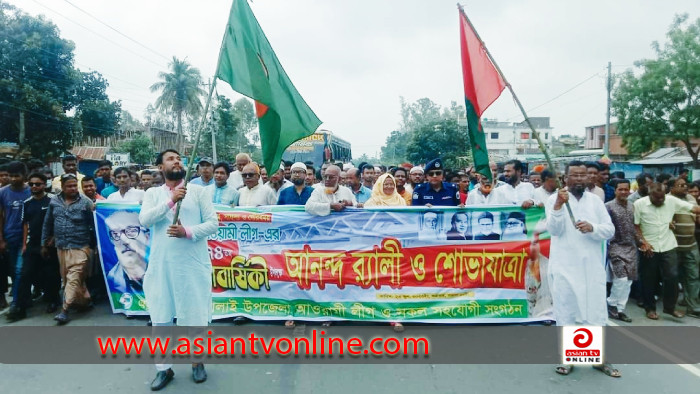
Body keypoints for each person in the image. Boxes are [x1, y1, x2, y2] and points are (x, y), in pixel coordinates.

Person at [139, 149, 218, 390]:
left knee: (194, 317)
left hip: (192, 265)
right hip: (162, 267)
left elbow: (213, 224)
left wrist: (188, 232)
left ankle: (197, 362)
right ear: (161, 168)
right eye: (170, 159)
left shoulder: (199, 192)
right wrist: (171, 200)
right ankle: (164, 369)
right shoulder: (153, 194)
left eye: (178, 158)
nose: (176, 161)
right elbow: (145, 220)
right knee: (161, 318)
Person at [546, 160, 617, 377]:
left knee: (594, 312)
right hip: (564, 266)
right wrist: (558, 206)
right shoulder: (554, 199)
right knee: (566, 312)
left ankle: (597, 358)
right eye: (574, 175)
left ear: (589, 178)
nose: (579, 178)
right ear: (565, 177)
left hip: (591, 267)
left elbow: (609, 230)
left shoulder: (596, 202)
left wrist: (592, 227)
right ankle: (568, 358)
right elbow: (554, 230)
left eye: (582, 175)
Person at [635, 182, 700, 320]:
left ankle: (670, 308)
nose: (660, 200)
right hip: (649, 247)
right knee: (649, 278)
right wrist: (643, 242)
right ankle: (650, 308)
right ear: (650, 194)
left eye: (662, 197)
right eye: (656, 198)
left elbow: (694, 209)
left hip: (668, 245)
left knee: (672, 276)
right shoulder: (639, 204)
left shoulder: (671, 200)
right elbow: (635, 226)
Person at [41, 173, 95, 324]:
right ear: (63, 187)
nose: (72, 188)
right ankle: (84, 301)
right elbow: (47, 223)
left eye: (74, 185)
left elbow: (94, 224)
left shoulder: (86, 202)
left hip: (80, 246)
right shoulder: (54, 202)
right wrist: (44, 243)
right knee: (68, 279)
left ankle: (64, 311)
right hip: (61, 247)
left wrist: (95, 246)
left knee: (74, 277)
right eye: (69, 186)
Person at [0, 161, 31, 319]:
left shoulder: (31, 191)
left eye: (16, 176)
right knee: (14, 270)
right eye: (10, 176)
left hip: (27, 238)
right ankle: (24, 299)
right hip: (9, 236)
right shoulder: (2, 192)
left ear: (24, 176)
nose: (12, 179)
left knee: (20, 270)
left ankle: (16, 304)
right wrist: (1, 239)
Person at [605, 178, 637, 322]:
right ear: (615, 190)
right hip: (615, 247)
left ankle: (620, 309)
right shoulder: (608, 206)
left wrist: (641, 242)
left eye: (626, 189)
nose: (624, 192)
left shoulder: (632, 206)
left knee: (629, 280)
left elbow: (635, 227)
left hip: (631, 248)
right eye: (620, 189)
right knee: (621, 279)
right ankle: (611, 304)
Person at [668, 177, 700, 318]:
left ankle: (692, 306)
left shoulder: (691, 199)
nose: (684, 187)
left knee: (693, 276)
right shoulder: (666, 200)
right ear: (672, 188)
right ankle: (671, 306)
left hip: (691, 244)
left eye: (685, 185)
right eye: (680, 185)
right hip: (673, 246)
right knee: (674, 277)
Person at [104, 211, 148, 294]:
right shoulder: (112, 279)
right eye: (116, 234)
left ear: (147, 236)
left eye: (131, 231)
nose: (125, 241)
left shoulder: (161, 273)